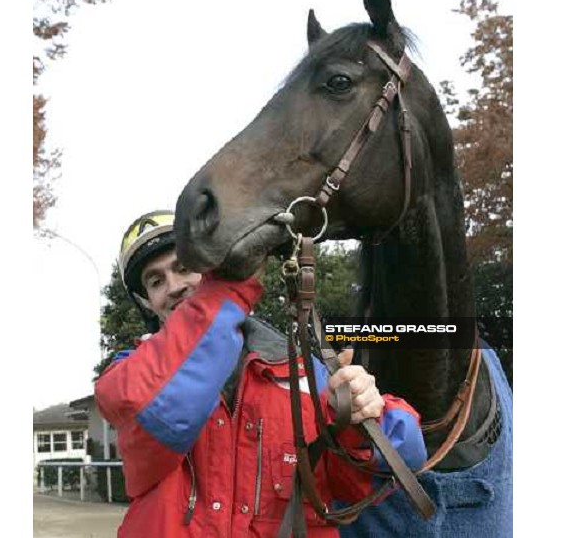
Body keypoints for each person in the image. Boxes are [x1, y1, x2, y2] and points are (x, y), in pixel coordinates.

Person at [94, 209, 427, 538]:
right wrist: (228, 288)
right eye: (156, 281)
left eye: (184, 268)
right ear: (147, 302)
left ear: (210, 271)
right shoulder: (125, 374)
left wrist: (362, 416)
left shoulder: (304, 370)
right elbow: (169, 406)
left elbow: (402, 457)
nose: (175, 286)